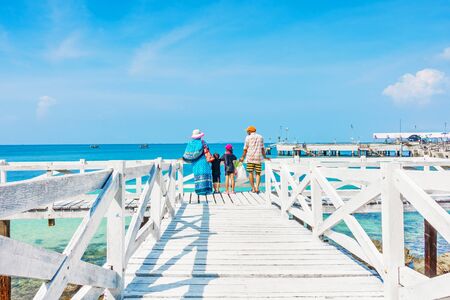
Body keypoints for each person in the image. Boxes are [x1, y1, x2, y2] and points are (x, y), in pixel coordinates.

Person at [239, 126, 270, 193]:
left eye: (247, 131)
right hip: (258, 158)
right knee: (258, 173)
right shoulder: (260, 137)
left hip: (250, 158)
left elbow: (245, 149)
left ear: (250, 131)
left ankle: (253, 188)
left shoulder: (248, 137)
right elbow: (262, 149)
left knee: (250, 173)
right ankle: (257, 188)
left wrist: (242, 157)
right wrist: (265, 157)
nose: (247, 132)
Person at [182, 129, 213, 195]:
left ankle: (199, 191)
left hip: (196, 162)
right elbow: (208, 151)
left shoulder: (190, 143)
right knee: (205, 174)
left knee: (198, 175)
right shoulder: (203, 142)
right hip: (204, 161)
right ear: (200, 136)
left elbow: (186, 155)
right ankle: (207, 190)